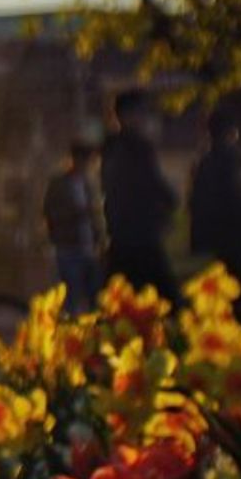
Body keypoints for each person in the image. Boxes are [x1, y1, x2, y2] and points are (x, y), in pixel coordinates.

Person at [100, 88, 180, 301]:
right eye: (141, 113)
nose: (144, 118)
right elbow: (151, 183)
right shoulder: (138, 148)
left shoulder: (109, 148)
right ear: (127, 115)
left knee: (119, 297)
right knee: (166, 296)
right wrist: (170, 202)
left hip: (120, 234)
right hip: (140, 234)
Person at [190, 108, 241, 298]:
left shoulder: (204, 161)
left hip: (214, 234)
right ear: (231, 131)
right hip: (235, 232)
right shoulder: (233, 159)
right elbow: (239, 195)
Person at [43, 142, 103, 314]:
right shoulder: (59, 183)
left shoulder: (88, 184)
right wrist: (74, 214)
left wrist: (98, 238)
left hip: (89, 248)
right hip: (68, 248)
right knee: (71, 296)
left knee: (94, 296)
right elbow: (50, 211)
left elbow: (94, 215)